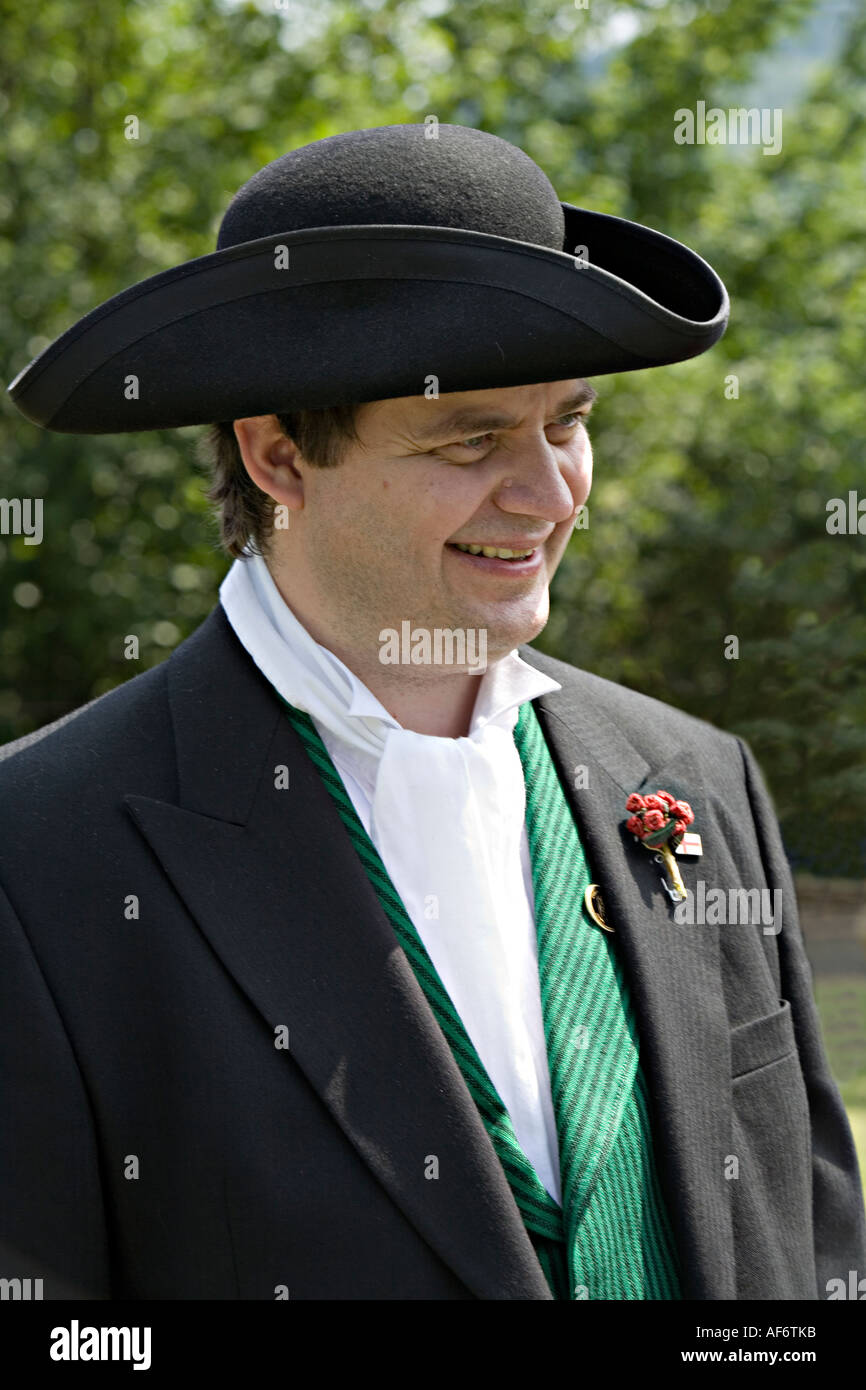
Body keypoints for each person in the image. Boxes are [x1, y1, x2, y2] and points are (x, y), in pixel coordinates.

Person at [2, 123, 863, 1301]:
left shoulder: (693, 775)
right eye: (472, 439)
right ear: (278, 460)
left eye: (567, 422)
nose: (550, 492)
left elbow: (812, 1253)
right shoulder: (40, 850)